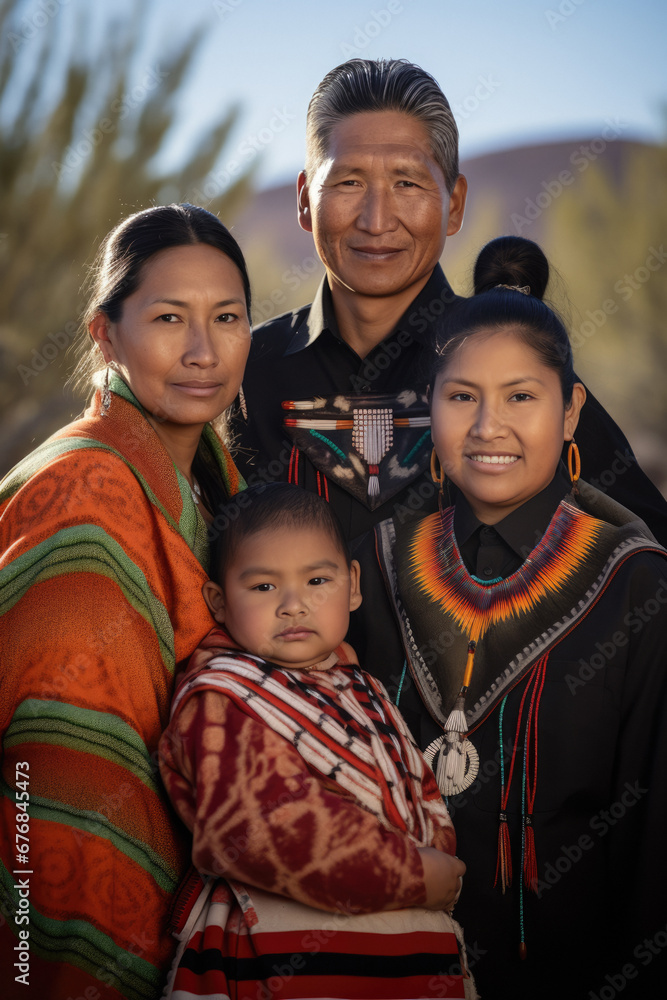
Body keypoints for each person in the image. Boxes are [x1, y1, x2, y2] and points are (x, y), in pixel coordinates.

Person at [372, 236, 667, 999]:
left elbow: (651, 853)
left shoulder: (636, 588)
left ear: (570, 410)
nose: (486, 427)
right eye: (461, 396)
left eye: (520, 397)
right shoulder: (372, 566)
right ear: (429, 409)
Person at [232, 57, 667, 552]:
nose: (376, 220)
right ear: (307, 200)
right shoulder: (247, 370)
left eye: (407, 183)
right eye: (348, 182)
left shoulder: (519, 360)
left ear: (455, 205)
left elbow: (649, 549)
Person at [0, 204, 252, 1000]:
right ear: (104, 333)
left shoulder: (220, 494)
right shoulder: (83, 488)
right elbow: (58, 771)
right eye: (169, 318)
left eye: (228, 317)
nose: (203, 351)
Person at [158, 483, 477, 999]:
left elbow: (421, 803)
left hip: (402, 967)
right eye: (263, 587)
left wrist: (437, 862)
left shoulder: (365, 692)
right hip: (278, 966)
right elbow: (264, 827)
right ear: (218, 601)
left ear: (353, 584)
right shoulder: (225, 697)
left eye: (317, 580)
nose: (293, 605)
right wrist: (415, 874)